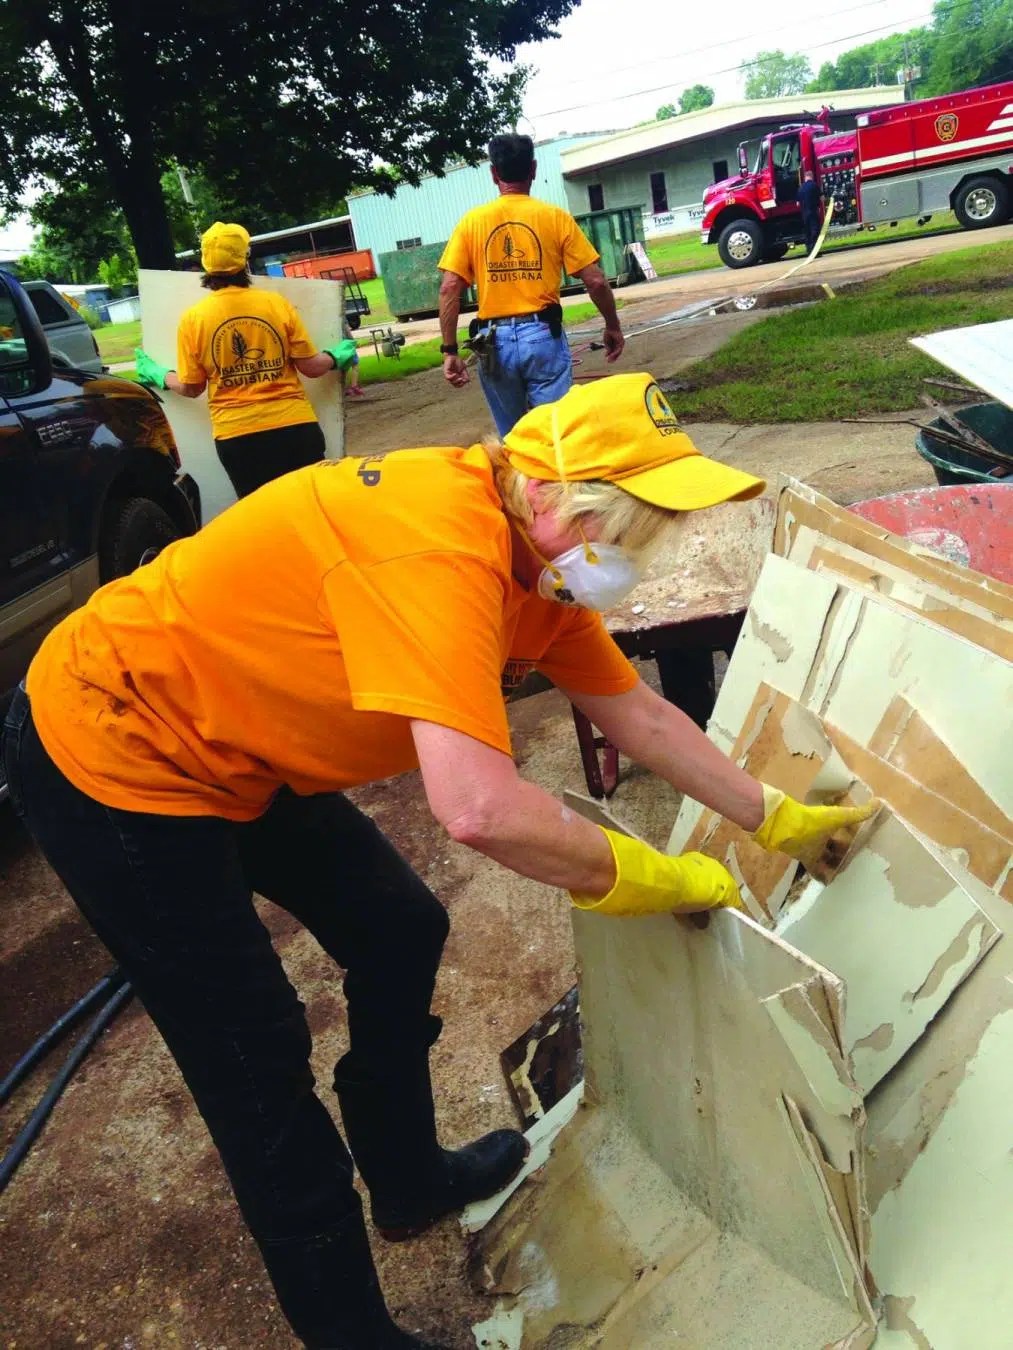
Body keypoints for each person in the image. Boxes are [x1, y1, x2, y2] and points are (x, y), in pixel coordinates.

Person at [2, 372, 874, 1349]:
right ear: (544, 494)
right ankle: (349, 1334)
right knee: (253, 1052)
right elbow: (477, 808)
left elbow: (638, 714)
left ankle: (406, 1178)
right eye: (619, 531)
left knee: (398, 926)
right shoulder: (437, 547)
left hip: (233, 739)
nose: (631, 561)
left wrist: (774, 819)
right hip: (114, 745)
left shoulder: (539, 570)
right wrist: (657, 880)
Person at [135, 222, 355, 498]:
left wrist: (159, 374)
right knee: (311, 510)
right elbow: (310, 367)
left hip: (238, 439)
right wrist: (336, 356)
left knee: (261, 522)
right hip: (295, 429)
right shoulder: (276, 305)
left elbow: (192, 387)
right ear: (245, 261)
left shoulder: (194, 319)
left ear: (205, 266)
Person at [438, 133, 625, 435]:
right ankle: (553, 480)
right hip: (542, 336)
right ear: (534, 170)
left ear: (493, 173)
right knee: (553, 435)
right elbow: (596, 281)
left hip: (493, 342)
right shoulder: (554, 218)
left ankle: (520, 481)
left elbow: (449, 288)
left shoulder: (472, 223)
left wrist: (449, 350)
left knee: (513, 438)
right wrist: (612, 325)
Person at [797, 171, 823, 254]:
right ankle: (814, 250)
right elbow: (822, 198)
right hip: (813, 212)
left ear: (805, 177)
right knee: (815, 230)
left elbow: (797, 204)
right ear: (811, 176)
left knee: (807, 232)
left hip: (804, 214)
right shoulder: (814, 185)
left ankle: (808, 250)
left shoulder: (800, 188)